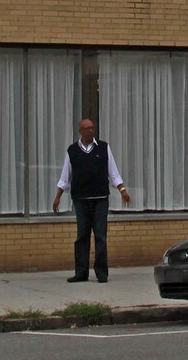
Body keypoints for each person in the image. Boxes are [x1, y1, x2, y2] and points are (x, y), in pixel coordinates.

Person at [51, 118, 130, 282]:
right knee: (82, 236)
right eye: (87, 128)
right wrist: (58, 196)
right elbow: (65, 176)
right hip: (81, 199)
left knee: (100, 236)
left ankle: (101, 273)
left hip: (100, 198)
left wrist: (122, 190)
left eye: (92, 128)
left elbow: (113, 172)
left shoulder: (103, 147)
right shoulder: (72, 150)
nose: (90, 131)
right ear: (80, 131)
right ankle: (81, 272)